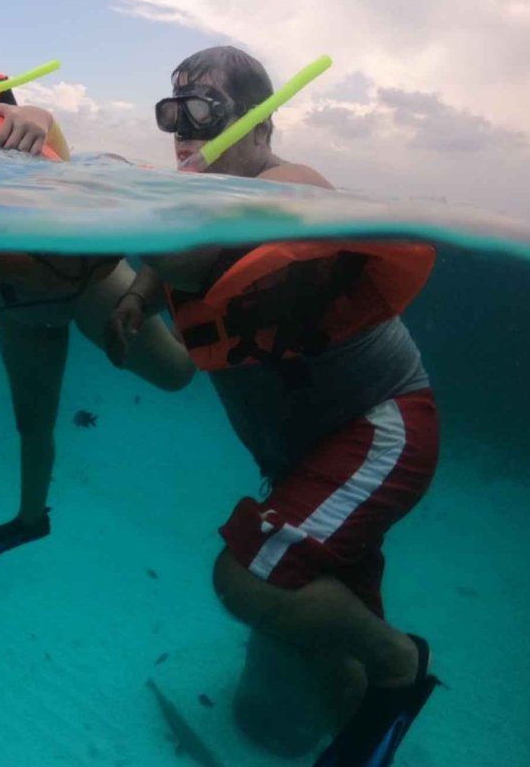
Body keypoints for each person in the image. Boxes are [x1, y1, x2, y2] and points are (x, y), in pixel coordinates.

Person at [103, 46, 439, 767]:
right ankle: (367, 718)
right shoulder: (201, 212)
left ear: (259, 127)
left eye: (204, 111)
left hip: (380, 428)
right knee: (318, 658)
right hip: (314, 456)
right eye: (172, 113)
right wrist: (136, 295)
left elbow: (238, 229)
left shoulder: (286, 189)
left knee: (247, 576)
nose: (183, 129)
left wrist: (118, 206)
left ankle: (400, 663)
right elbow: (181, 260)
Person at [0, 43, 195, 581]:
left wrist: (34, 116)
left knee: (176, 375)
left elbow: (42, 129)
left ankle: (187, 284)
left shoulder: (17, 133)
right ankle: (29, 520)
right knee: (32, 425)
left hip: (89, 288)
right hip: (18, 309)